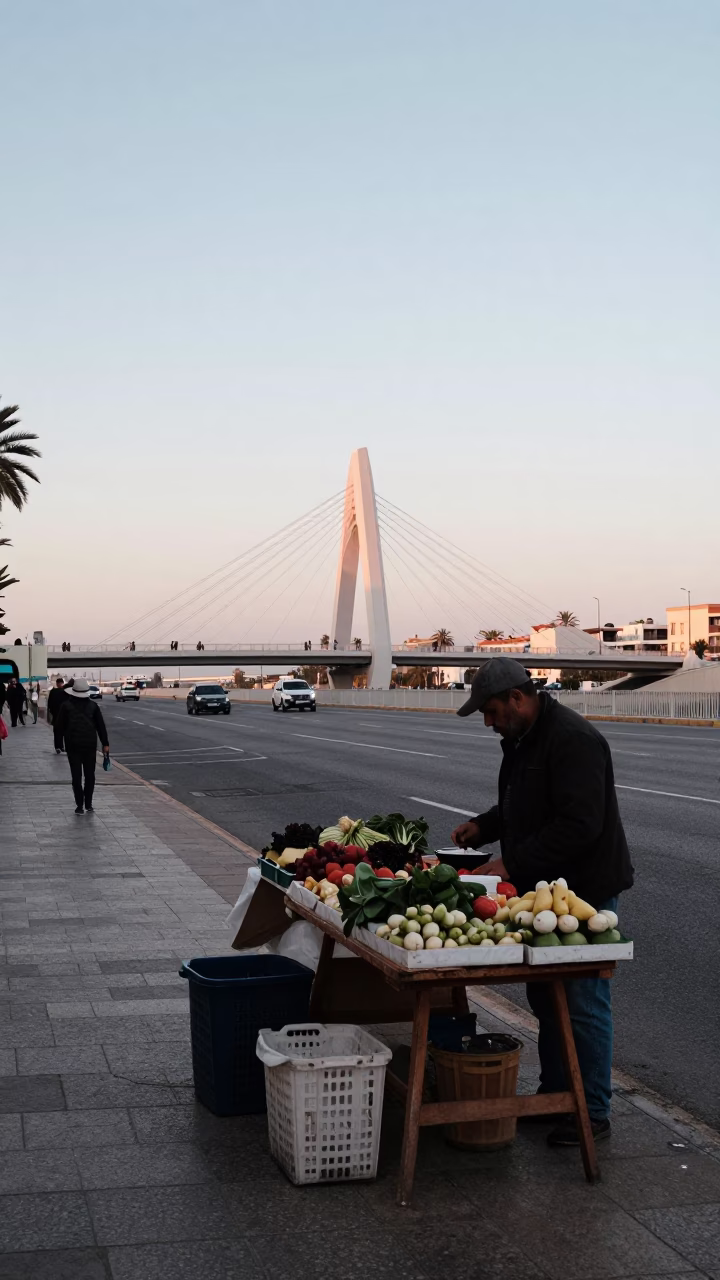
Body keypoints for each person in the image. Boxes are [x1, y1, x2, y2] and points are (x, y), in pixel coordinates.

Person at [451, 657, 634, 1147]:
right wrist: (485, 827)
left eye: (490, 712)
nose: (488, 723)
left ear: (516, 698)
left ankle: (591, 1111)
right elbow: (524, 802)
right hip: (545, 885)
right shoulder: (522, 738)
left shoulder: (572, 740)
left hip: (585, 890)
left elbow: (580, 824)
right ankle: (558, 1093)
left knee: (581, 1000)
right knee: (547, 999)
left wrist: (511, 863)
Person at [54, 677, 109, 814]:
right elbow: (101, 726)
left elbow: (59, 727)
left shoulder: (66, 706)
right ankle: (88, 804)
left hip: (73, 745)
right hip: (90, 745)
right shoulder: (93, 706)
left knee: (76, 776)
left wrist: (60, 743)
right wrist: (105, 743)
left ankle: (79, 805)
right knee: (90, 775)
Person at [47, 676, 69, 753]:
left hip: (56, 714)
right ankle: (61, 747)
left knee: (57, 731)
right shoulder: (66, 691)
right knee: (63, 732)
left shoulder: (53, 692)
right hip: (63, 715)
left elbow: (49, 703)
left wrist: (51, 711)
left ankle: (58, 747)